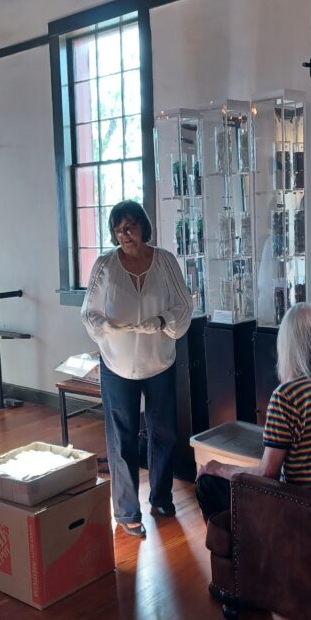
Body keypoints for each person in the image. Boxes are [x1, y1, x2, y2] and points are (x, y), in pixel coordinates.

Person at [196, 303, 311, 521]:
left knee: (209, 482)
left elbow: (267, 475)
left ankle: (245, 552)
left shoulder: (287, 396)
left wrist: (219, 468)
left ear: (288, 346)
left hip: (310, 513)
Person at [81, 200, 192, 537]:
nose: (124, 234)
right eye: (118, 229)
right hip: (117, 364)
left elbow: (183, 305)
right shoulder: (105, 267)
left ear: (144, 227)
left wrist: (162, 322)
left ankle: (161, 497)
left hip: (159, 362)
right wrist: (108, 328)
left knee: (164, 433)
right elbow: (89, 312)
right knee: (121, 438)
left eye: (130, 226)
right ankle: (127, 510)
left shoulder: (166, 263)